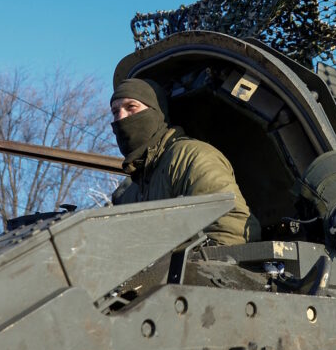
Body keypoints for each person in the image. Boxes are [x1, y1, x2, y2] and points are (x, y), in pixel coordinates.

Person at [110, 77, 260, 245]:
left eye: (131, 107)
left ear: (156, 112)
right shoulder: (129, 189)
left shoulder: (191, 157)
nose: (120, 118)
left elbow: (231, 230)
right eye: (115, 112)